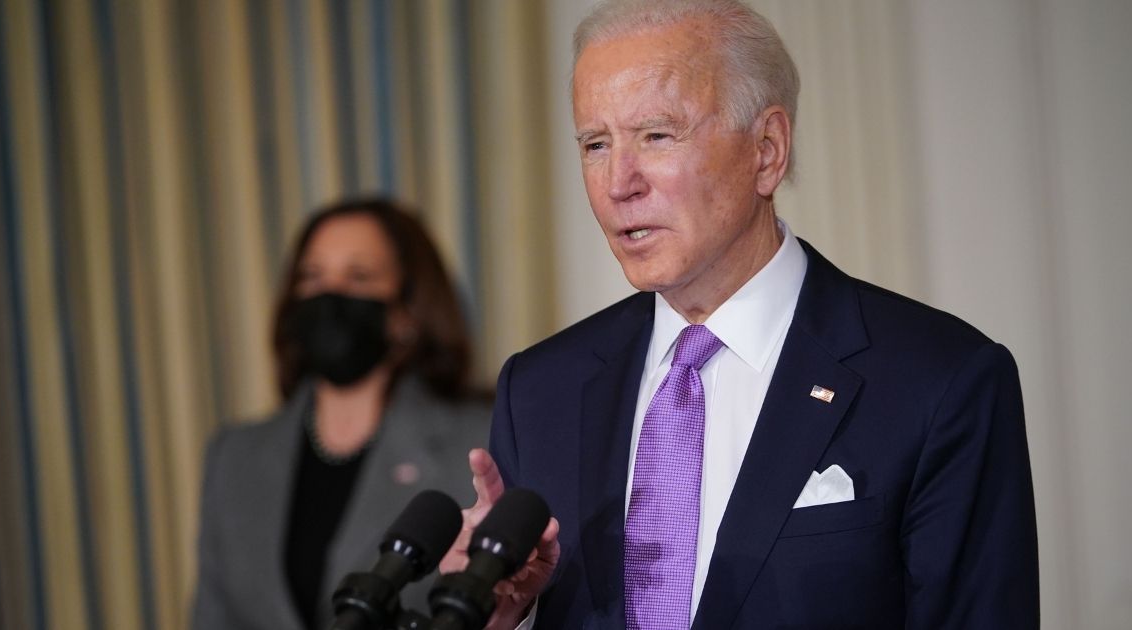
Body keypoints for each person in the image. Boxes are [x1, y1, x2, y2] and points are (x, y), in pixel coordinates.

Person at [441, 1, 1039, 628]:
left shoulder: (942, 380)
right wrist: (495, 618)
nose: (619, 182)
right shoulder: (539, 392)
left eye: (656, 135)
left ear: (767, 150)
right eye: (595, 144)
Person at [193, 198, 491, 630]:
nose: (330, 296)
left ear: (406, 311)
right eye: (312, 277)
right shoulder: (233, 457)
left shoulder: (479, 438)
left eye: (359, 277)